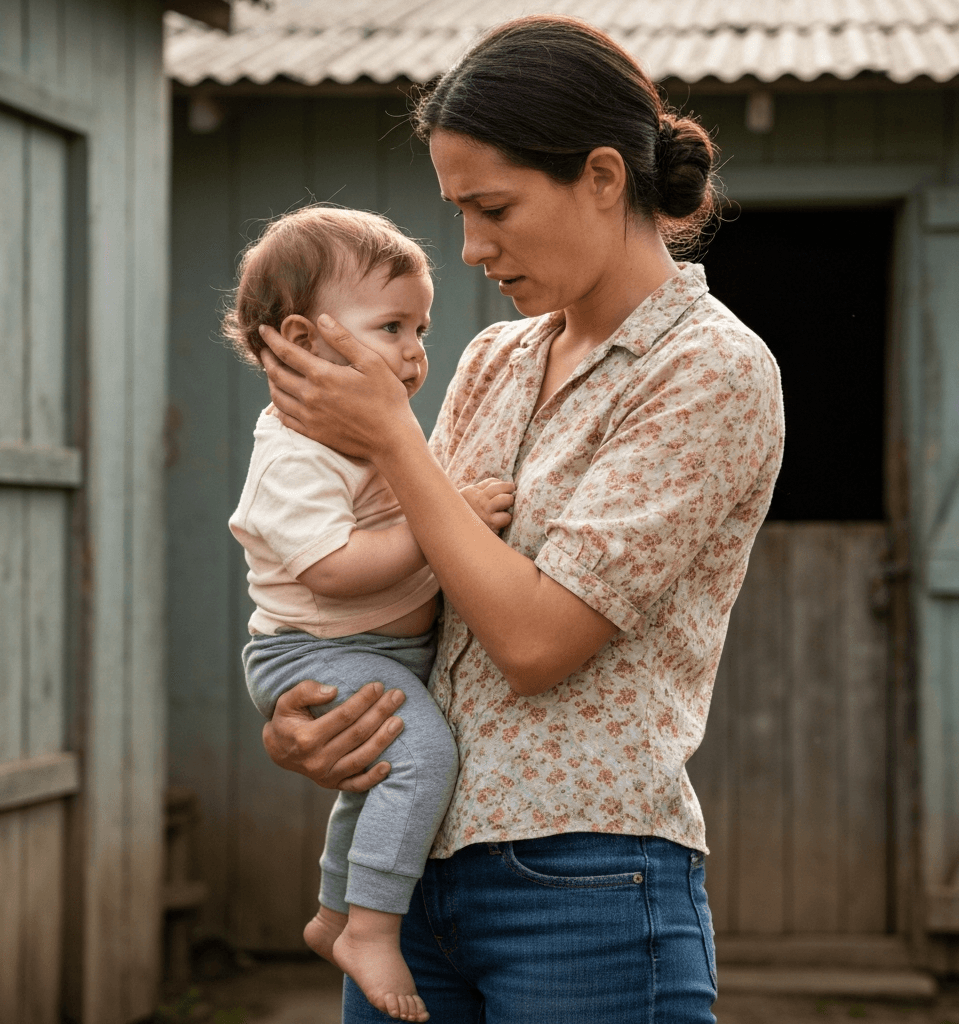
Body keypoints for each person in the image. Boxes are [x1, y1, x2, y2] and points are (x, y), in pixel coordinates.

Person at [255, 15, 784, 1024]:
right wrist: (311, 715)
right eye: (457, 211)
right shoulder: (491, 362)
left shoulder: (710, 370)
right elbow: (427, 599)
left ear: (599, 177)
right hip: (407, 878)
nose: (469, 248)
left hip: (584, 878)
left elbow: (535, 640)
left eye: (493, 208)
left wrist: (391, 441)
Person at [224, 206, 515, 1022]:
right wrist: (443, 517)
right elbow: (337, 569)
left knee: (380, 774)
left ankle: (334, 913)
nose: (416, 351)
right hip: (314, 650)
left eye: (420, 326)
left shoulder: (362, 434)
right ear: (304, 340)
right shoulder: (295, 453)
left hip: (371, 647)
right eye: (390, 326)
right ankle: (374, 933)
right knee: (418, 757)